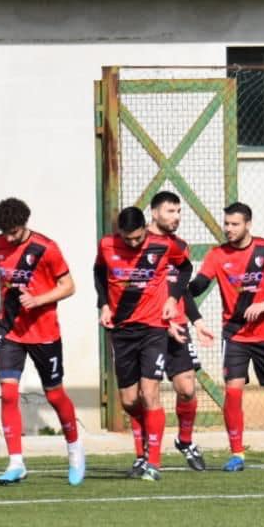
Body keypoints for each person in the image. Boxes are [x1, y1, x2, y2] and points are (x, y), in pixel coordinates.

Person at [185, 201, 264, 471]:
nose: (228, 229)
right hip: (235, 335)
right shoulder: (217, 255)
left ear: (248, 224)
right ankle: (237, 454)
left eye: (234, 224)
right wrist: (176, 287)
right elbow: (198, 286)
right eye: (226, 224)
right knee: (232, 392)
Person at [0, 198, 84, 485]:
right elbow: (4, 280)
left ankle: (75, 450)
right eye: (4, 232)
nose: (9, 238)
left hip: (44, 332)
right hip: (11, 331)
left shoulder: (47, 249)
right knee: (7, 393)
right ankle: (16, 462)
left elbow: (69, 286)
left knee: (54, 395)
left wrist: (38, 300)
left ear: (24, 224)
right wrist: (1, 306)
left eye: (14, 232)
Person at [94, 206, 190, 481]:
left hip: (153, 328)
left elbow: (184, 267)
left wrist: (172, 298)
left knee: (149, 394)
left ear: (145, 229)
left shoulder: (162, 245)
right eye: (128, 239)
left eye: (138, 238)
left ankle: (153, 463)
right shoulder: (107, 245)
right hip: (121, 329)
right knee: (129, 400)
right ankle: (141, 453)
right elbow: (99, 273)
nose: (134, 244)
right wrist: (103, 305)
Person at [147, 191, 209, 472]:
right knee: (141, 395)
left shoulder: (180, 247)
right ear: (154, 212)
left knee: (186, 388)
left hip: (179, 325)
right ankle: (146, 453)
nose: (176, 217)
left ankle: (185, 440)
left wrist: (195, 320)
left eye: (179, 212)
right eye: (170, 211)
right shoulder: (139, 244)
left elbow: (181, 289)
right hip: (147, 327)